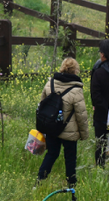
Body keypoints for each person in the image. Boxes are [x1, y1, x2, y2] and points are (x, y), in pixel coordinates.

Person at [37, 57, 89, 188]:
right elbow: (81, 115)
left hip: (52, 128)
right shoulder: (76, 90)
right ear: (75, 70)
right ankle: (71, 185)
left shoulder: (50, 84)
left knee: (51, 154)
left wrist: (42, 127)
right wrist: (84, 135)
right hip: (69, 132)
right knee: (70, 158)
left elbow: (41, 106)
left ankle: (39, 180)